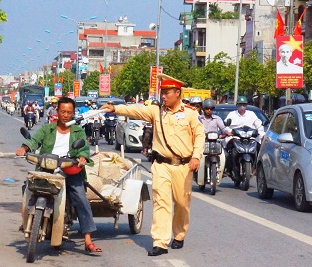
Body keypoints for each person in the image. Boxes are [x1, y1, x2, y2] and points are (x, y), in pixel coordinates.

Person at [102, 74, 204, 256]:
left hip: (183, 166)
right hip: (161, 164)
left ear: (177, 93)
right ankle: (160, 242)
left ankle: (179, 234)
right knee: (161, 202)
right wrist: (115, 108)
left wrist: (196, 157)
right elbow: (136, 110)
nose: (163, 96)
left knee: (181, 203)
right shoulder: (156, 111)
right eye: (162, 92)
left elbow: (199, 136)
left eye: (167, 93)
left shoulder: (190, 113)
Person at [15, 96, 102, 253]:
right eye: (63, 112)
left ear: (73, 113)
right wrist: (24, 148)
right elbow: (34, 140)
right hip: (46, 169)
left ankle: (88, 239)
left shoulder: (78, 131)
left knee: (81, 198)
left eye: (69, 112)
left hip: (69, 170)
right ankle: (26, 219)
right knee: (27, 187)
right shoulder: (47, 129)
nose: (66, 115)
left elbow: (84, 148)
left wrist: (82, 157)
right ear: (57, 111)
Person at [223, 96, 264, 172]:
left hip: (249, 137)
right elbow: (226, 125)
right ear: (237, 105)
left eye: (244, 105)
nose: (242, 107)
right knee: (227, 148)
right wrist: (229, 132)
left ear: (246, 105)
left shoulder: (251, 114)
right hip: (235, 137)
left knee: (259, 147)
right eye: (240, 105)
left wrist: (260, 132)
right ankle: (228, 167)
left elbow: (258, 124)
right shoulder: (232, 114)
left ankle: (257, 167)